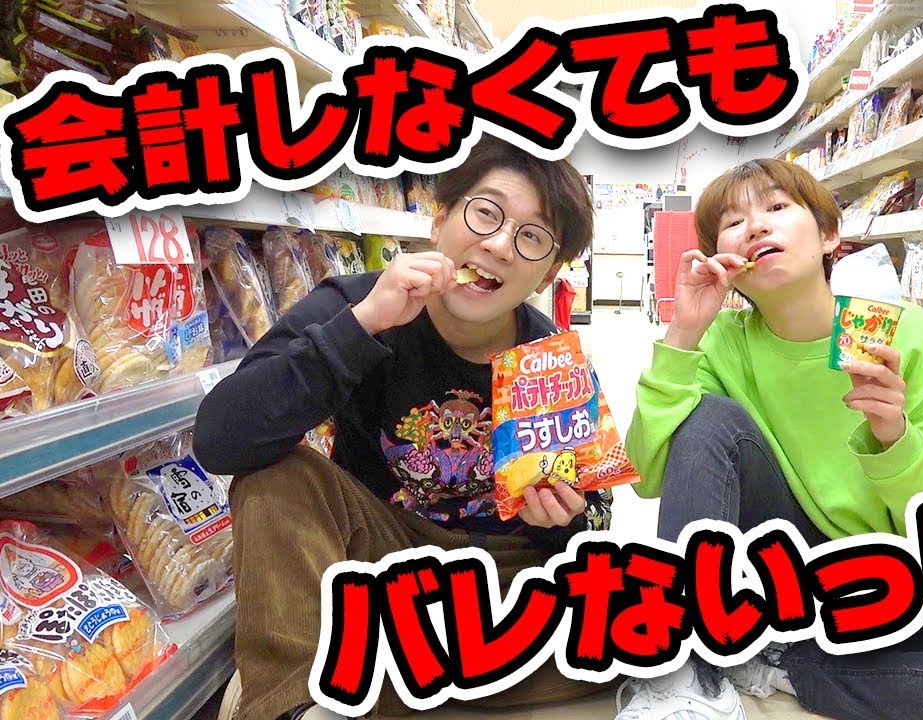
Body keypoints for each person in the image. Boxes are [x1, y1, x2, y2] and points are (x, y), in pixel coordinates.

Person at [622, 158, 923, 720]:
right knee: (708, 417)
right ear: (720, 260)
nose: (756, 226)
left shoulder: (907, 337)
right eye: (733, 221)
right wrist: (683, 332)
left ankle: (781, 662)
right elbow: (649, 475)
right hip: (775, 570)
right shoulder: (720, 342)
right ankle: (685, 672)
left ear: (829, 235)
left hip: (890, 571)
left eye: (776, 207)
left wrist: (895, 437)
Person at [194, 138, 611, 720]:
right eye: (486, 213)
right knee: (279, 473)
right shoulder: (356, 304)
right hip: (378, 556)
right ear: (439, 219)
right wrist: (362, 327)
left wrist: (566, 521)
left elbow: (595, 525)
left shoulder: (551, 361)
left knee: (629, 630)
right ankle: (302, 703)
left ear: (550, 270)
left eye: (533, 237)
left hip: (499, 576)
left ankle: (378, 673)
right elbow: (220, 439)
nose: (498, 245)